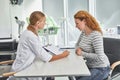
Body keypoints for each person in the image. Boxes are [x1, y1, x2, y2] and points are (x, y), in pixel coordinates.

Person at [8, 11, 69, 80]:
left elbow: (36, 48)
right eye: (44, 21)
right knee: (49, 74)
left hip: (27, 66)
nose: (45, 23)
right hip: (23, 70)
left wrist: (46, 48)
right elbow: (47, 58)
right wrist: (64, 54)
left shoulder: (29, 32)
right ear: (38, 23)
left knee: (48, 72)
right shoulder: (30, 36)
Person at [73, 10, 110, 80]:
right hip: (90, 65)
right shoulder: (84, 32)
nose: (75, 26)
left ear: (84, 21)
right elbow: (77, 45)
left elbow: (100, 57)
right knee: (73, 74)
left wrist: (82, 53)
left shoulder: (96, 35)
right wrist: (78, 49)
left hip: (101, 68)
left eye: (77, 23)